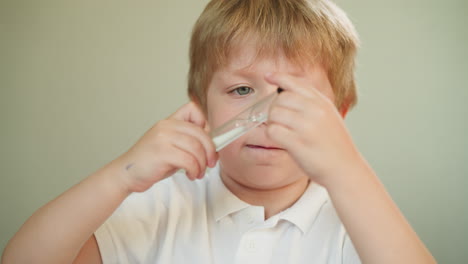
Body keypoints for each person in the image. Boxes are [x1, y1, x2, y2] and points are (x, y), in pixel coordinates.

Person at [2, 0, 436, 263]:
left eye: (295, 93)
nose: (266, 114)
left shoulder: (358, 219)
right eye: (243, 89)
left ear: (339, 116)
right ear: (202, 109)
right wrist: (121, 176)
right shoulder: (158, 207)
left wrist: (347, 171)